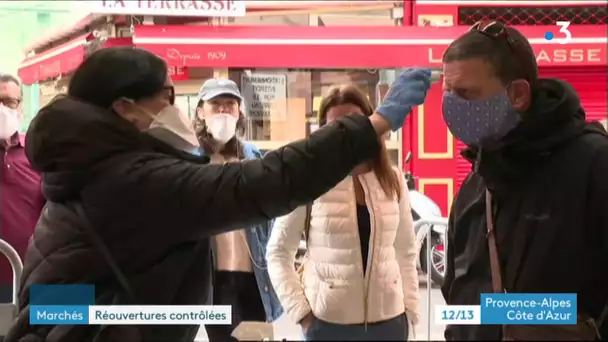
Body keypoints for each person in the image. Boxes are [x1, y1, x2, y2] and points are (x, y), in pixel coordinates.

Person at [5, 47, 431, 342]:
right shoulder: (131, 177)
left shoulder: (93, 161)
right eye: (166, 96)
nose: (173, 108)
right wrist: (372, 125)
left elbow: (68, 283)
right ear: (125, 109)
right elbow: (259, 183)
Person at [440, 21, 608, 341]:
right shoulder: (476, 183)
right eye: (447, 92)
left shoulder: (594, 165)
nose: (450, 107)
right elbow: (459, 296)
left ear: (517, 94)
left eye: (465, 94)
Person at [266, 85, 419, 341]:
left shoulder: (391, 178)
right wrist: (303, 315)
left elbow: (406, 249)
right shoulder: (308, 178)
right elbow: (278, 252)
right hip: (329, 325)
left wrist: (410, 310)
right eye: (336, 127)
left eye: (354, 123)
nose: (347, 135)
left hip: (390, 323)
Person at [193, 78, 283, 341]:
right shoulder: (191, 161)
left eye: (229, 104)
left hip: (255, 276)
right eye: (215, 105)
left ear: (239, 111)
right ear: (201, 111)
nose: (223, 111)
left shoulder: (253, 157)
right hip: (214, 280)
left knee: (256, 337)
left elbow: (272, 215)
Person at [0, 73, 45, 303]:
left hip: (40, 278)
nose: (2, 109)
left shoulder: (39, 150)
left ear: (20, 107)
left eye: (9, 102)